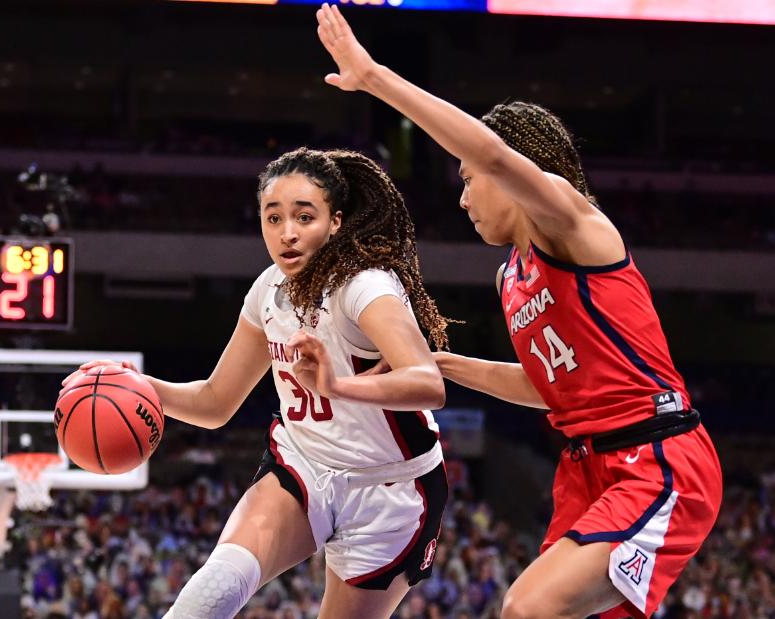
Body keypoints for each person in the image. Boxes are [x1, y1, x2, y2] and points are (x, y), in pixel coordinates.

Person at [314, 5, 723, 618]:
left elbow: (496, 154)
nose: (462, 195)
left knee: (526, 608)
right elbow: (547, 388)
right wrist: (442, 363)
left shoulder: (576, 224)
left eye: (467, 178)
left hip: (656, 457)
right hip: (587, 468)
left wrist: (374, 78)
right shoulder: (511, 275)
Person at [63, 147, 452, 619]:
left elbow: (428, 383)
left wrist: (336, 385)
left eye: (304, 217)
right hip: (304, 464)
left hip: (392, 490)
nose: (287, 233)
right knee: (213, 588)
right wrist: (136, 386)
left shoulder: (366, 286)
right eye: (273, 218)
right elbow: (215, 402)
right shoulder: (268, 290)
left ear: (335, 222)